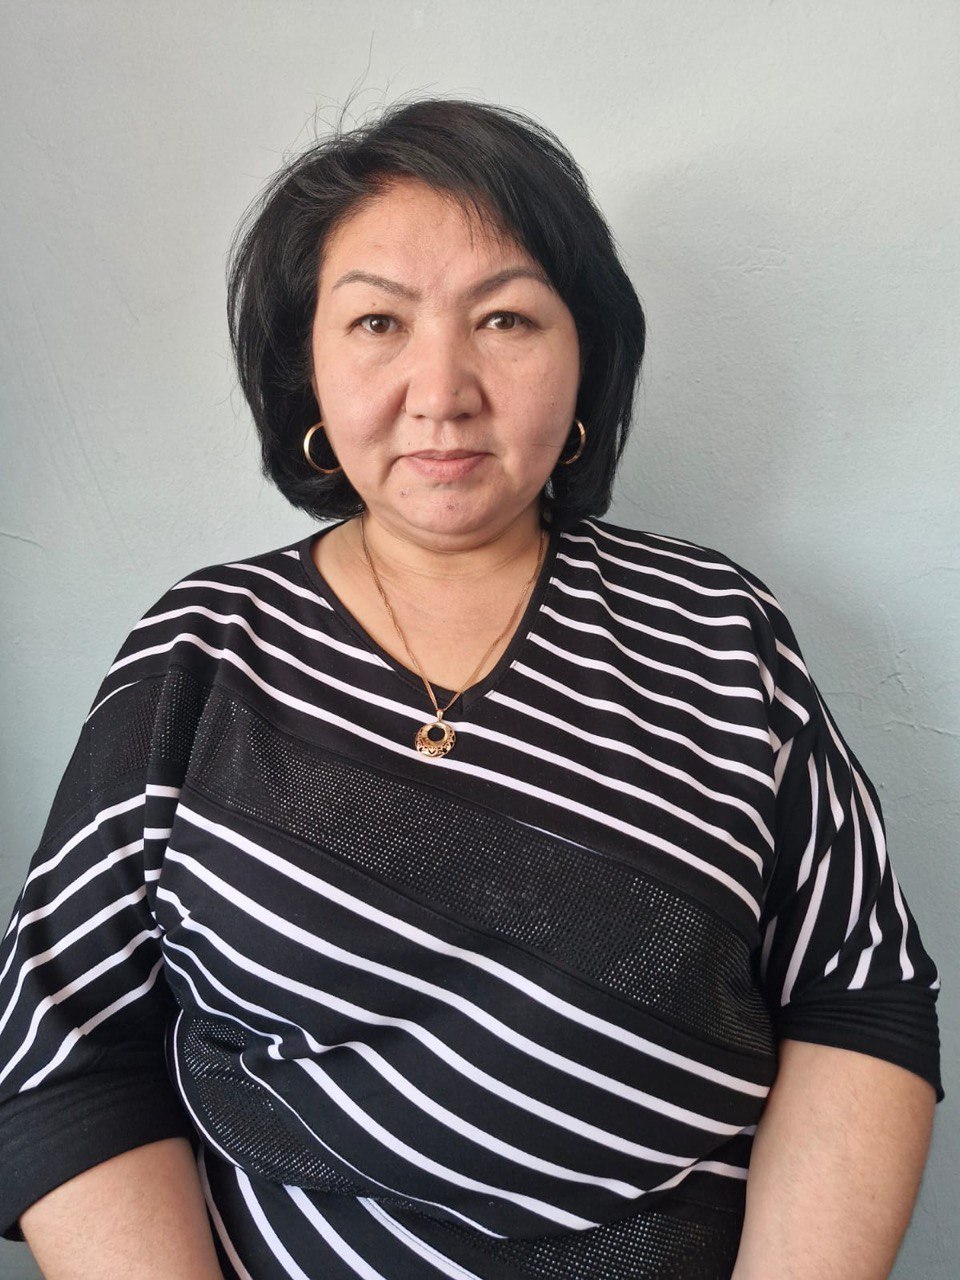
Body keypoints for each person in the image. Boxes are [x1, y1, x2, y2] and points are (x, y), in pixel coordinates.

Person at [0, 98, 941, 1280]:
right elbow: (65, 1050)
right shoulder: (204, 650)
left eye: (505, 318)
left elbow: (859, 994)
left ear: (585, 353)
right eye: (378, 322)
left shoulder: (718, 628)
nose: (441, 388)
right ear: (305, 368)